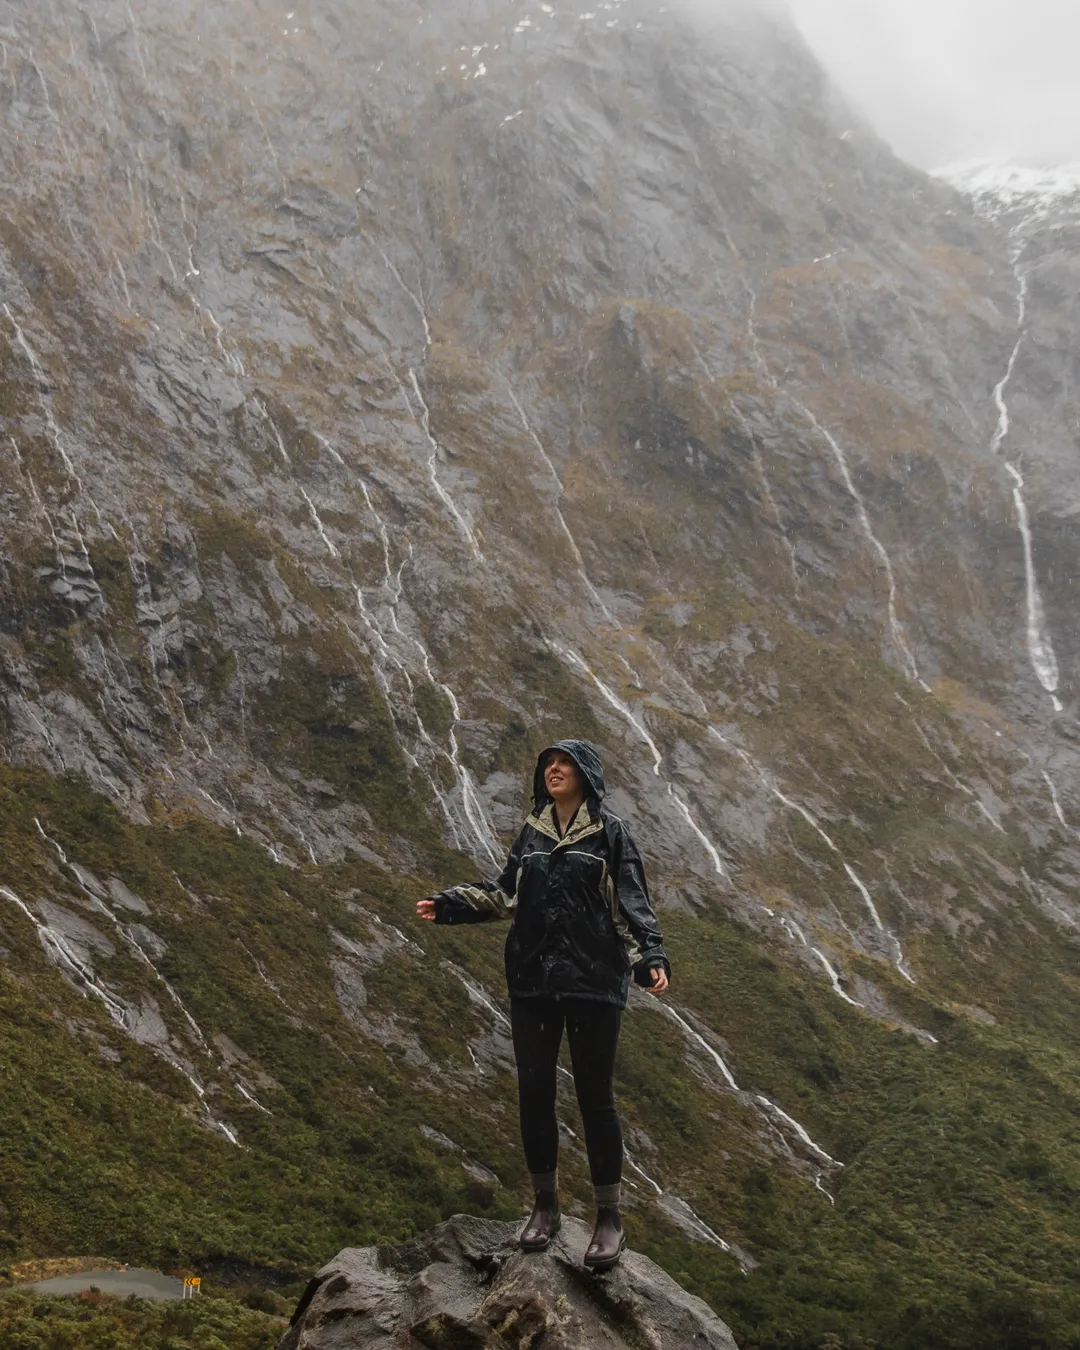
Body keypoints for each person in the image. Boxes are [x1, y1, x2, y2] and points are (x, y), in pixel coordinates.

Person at [416, 739, 671, 1273]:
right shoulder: (532, 833)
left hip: (593, 982)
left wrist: (650, 956)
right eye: (547, 764)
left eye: (564, 763)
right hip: (533, 979)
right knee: (533, 1092)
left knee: (594, 1097)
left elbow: (631, 902)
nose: (554, 770)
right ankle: (544, 1206)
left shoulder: (610, 833)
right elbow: (504, 892)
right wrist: (451, 906)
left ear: (587, 775)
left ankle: (608, 1217)